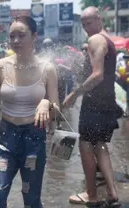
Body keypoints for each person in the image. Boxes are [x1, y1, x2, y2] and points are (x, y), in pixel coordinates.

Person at [0, 16, 59, 208]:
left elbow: (56, 112)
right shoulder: (0, 67)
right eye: (12, 36)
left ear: (34, 36)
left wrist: (46, 103)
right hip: (6, 138)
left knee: (31, 199)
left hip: (34, 140)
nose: (15, 41)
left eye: (21, 36)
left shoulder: (47, 69)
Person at [64, 7, 121, 207]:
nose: (87, 28)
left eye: (89, 22)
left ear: (99, 19)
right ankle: (113, 193)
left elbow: (97, 75)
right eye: (83, 24)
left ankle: (91, 194)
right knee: (100, 146)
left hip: (95, 104)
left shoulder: (96, 40)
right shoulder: (108, 41)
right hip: (107, 102)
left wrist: (73, 94)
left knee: (86, 145)